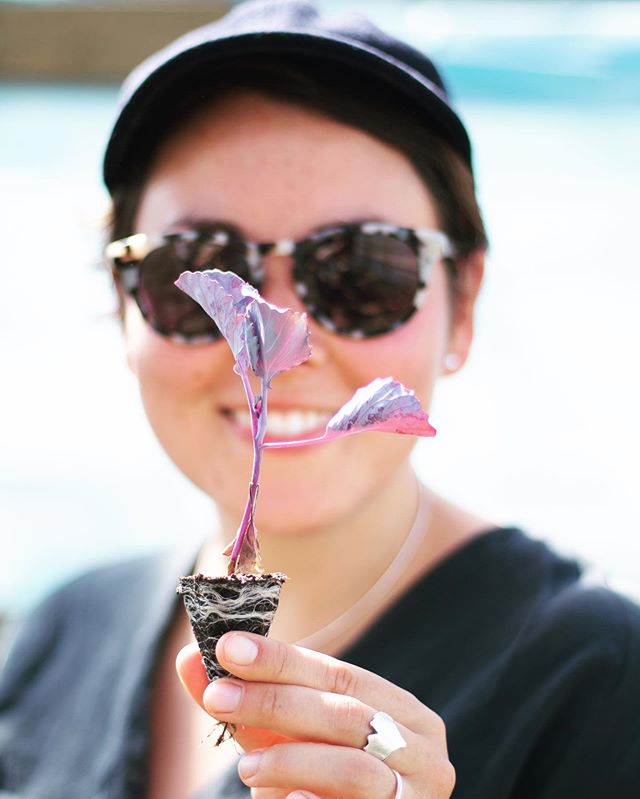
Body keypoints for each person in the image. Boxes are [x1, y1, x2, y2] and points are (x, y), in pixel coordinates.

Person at [1, 1, 639, 797]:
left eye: (362, 271)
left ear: (463, 300)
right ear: (123, 297)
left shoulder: (603, 682)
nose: (278, 340)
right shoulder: (64, 632)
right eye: (196, 271)